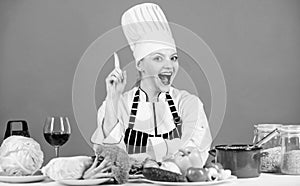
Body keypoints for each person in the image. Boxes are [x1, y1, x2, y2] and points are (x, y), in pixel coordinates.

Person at [91, 3, 212, 163]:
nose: (169, 65)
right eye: (158, 58)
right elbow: (109, 153)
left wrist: (133, 154)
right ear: (140, 65)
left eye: (173, 58)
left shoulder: (189, 104)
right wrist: (113, 98)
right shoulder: (119, 105)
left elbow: (194, 152)